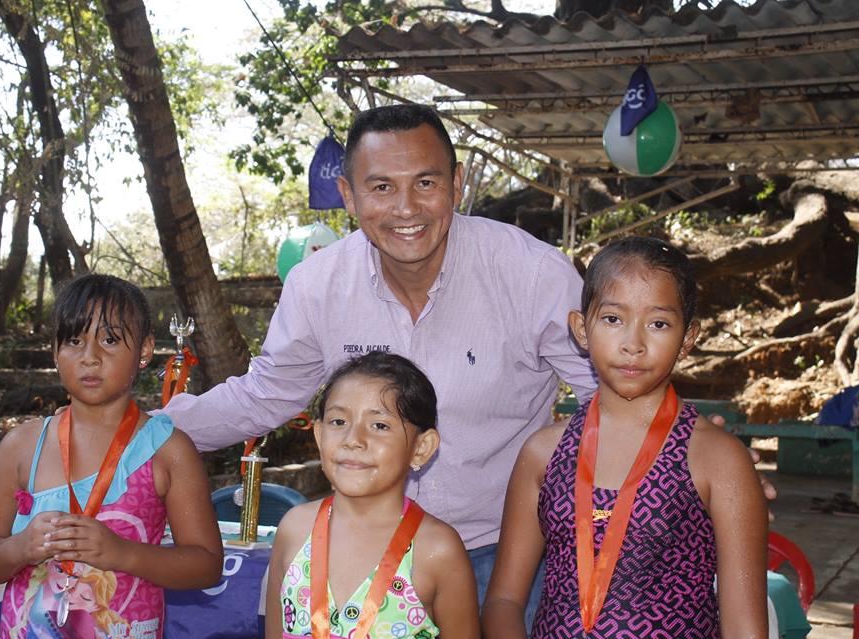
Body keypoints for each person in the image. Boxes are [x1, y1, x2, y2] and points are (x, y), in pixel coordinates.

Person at [164, 104, 597, 619]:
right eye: (382, 187)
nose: (406, 209)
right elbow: (263, 394)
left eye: (426, 183)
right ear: (349, 195)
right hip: (364, 558)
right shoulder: (318, 286)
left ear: (457, 183)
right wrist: (133, 435)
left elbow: (612, 395)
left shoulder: (533, 275)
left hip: (509, 559)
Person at [482, 237, 768, 638]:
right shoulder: (543, 453)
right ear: (582, 329)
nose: (633, 344)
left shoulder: (716, 459)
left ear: (688, 338)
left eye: (658, 324)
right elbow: (504, 601)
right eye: (613, 319)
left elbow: (745, 627)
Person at [0, 274, 224, 638]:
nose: (90, 357)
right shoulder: (22, 446)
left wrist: (122, 553)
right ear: (55, 351)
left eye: (110, 339)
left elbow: (207, 565)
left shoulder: (168, 450)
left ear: (145, 352)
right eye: (74, 340)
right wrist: (20, 548)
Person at [265, 351, 479, 639]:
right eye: (338, 422)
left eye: (379, 425)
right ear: (319, 436)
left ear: (421, 447)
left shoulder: (437, 551)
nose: (353, 439)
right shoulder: (294, 529)